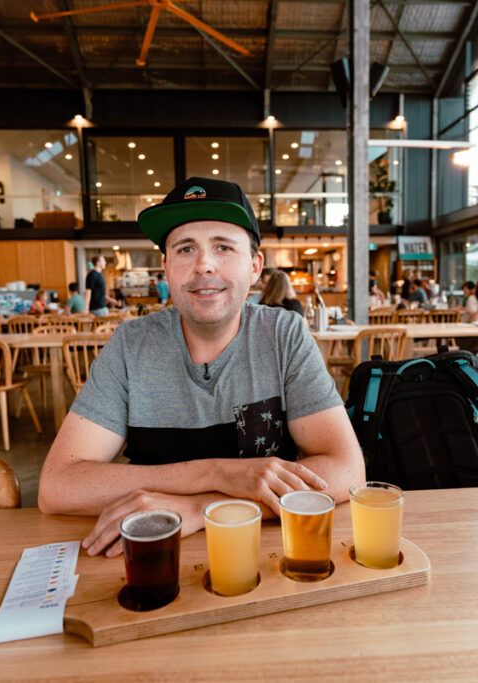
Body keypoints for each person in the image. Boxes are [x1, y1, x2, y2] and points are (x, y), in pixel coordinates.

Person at [38, 176, 364, 557]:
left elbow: (347, 470)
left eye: (223, 247)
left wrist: (205, 508)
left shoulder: (282, 334)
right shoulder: (131, 344)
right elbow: (57, 486)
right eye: (185, 248)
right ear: (166, 266)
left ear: (255, 266)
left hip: (266, 552)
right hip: (153, 548)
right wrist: (217, 473)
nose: (204, 265)